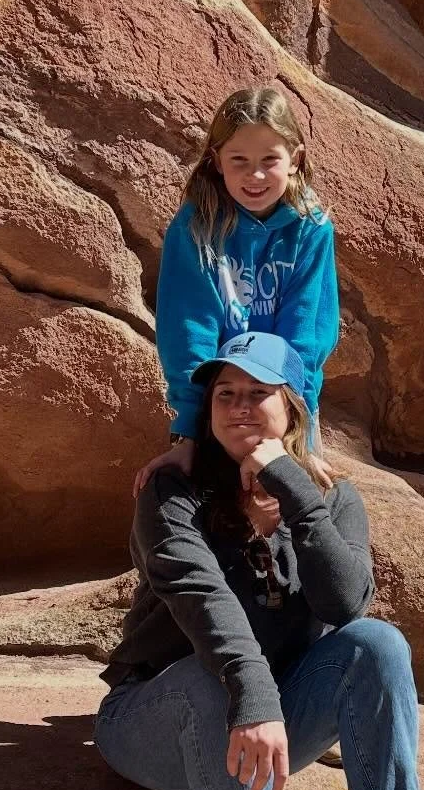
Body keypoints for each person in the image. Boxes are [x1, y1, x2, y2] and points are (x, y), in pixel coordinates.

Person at [96, 331, 423, 790]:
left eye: (259, 393)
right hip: (157, 721)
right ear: (206, 408)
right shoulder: (172, 491)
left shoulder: (333, 500)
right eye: (225, 394)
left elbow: (346, 607)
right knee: (210, 682)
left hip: (261, 734)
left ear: (293, 406)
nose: (241, 407)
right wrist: (257, 698)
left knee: (380, 645)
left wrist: (300, 502)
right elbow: (200, 600)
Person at [135, 85, 340, 492]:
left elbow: (307, 335)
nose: (256, 175)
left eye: (270, 160)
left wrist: (302, 431)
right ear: (216, 161)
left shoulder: (311, 228)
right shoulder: (195, 229)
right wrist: (188, 431)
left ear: (295, 160)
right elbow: (189, 332)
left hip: (283, 395)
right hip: (220, 394)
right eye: (239, 160)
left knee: (294, 496)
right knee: (202, 494)